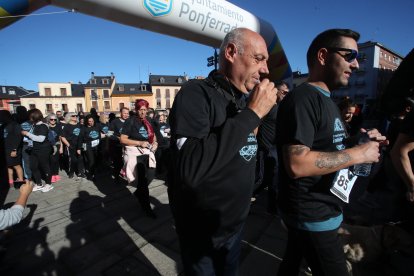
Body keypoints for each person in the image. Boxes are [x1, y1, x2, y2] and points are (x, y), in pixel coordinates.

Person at [276, 29, 388, 276]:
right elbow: (296, 163)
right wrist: (360, 153)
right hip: (312, 215)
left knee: (291, 263)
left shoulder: (327, 101)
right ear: (323, 56)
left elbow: (329, 146)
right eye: (349, 55)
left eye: (358, 58)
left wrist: (361, 140)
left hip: (318, 209)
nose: (356, 64)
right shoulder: (303, 98)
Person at [168, 27, 276, 275]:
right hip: (202, 232)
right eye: (258, 59)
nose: (266, 69)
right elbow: (190, 167)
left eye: (266, 62)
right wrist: (252, 115)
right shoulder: (195, 93)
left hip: (235, 226)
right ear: (230, 52)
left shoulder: (243, 99)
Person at [253, 80, 290, 214]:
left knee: (272, 179)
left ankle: (272, 208)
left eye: (287, 93)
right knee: (262, 179)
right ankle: (245, 199)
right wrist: (253, 144)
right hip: (265, 148)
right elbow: (255, 123)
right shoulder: (268, 107)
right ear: (277, 91)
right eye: (284, 92)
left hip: (276, 149)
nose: (286, 95)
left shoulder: (281, 108)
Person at [120, 99, 159, 218]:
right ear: (136, 110)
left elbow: (154, 137)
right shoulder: (130, 122)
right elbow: (122, 139)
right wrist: (139, 142)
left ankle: (138, 193)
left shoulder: (149, 121)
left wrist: (155, 144)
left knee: (150, 176)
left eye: (145, 110)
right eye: (140, 110)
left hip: (147, 153)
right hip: (136, 155)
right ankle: (146, 207)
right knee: (142, 181)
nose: (142, 112)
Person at [21, 109, 54, 192]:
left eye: (30, 116)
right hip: (34, 149)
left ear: (34, 116)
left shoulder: (43, 126)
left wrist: (27, 134)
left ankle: (49, 184)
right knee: (33, 166)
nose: (29, 118)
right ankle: (39, 183)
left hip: (43, 149)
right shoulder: (34, 125)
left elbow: (41, 139)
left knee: (45, 166)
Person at [0, 110, 24, 187]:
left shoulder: (15, 125)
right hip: (5, 149)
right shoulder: (3, 125)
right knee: (8, 166)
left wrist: (14, 149)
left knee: (16, 165)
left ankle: (20, 181)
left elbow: (18, 138)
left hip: (13, 149)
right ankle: (10, 182)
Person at [79, 114, 105, 180]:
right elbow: (80, 139)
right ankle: (92, 175)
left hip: (97, 146)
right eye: (89, 121)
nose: (91, 122)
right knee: (91, 161)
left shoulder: (97, 126)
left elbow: (100, 134)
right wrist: (78, 148)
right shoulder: (84, 128)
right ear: (87, 121)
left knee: (97, 160)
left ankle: (96, 171)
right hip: (88, 147)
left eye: (92, 121)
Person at [61, 112, 85, 178]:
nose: (75, 117)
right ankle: (71, 171)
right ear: (69, 117)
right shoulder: (67, 126)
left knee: (80, 159)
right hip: (71, 145)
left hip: (79, 145)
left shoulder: (80, 125)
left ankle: (81, 172)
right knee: (73, 160)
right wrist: (68, 145)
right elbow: (63, 137)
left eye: (76, 116)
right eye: (73, 116)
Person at [109, 107, 129, 181]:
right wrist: (118, 138)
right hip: (117, 146)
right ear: (120, 113)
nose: (126, 115)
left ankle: (127, 175)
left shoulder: (130, 122)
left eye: (127, 113)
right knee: (118, 163)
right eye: (124, 113)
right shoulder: (114, 122)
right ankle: (117, 177)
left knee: (127, 162)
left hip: (128, 146)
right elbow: (109, 134)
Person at [47, 114, 63, 183]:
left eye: (54, 119)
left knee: (56, 160)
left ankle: (56, 174)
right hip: (49, 145)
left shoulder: (58, 126)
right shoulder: (46, 127)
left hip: (57, 144)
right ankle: (52, 175)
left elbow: (60, 138)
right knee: (51, 160)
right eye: (51, 119)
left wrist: (61, 147)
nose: (53, 121)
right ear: (48, 120)